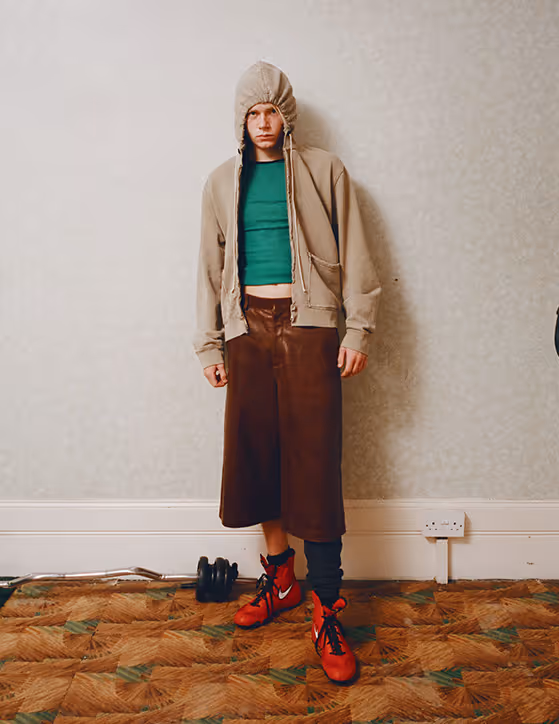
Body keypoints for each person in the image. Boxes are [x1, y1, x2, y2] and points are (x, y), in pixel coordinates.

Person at [193, 60, 381, 685]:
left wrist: (358, 329)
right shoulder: (220, 183)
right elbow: (208, 268)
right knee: (259, 455)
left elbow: (356, 250)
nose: (264, 122)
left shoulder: (326, 171)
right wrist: (210, 346)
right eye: (253, 112)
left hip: (310, 326)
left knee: (314, 462)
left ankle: (326, 607)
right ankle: (280, 579)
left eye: (272, 109)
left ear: (287, 113)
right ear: (241, 120)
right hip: (246, 330)